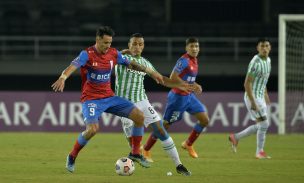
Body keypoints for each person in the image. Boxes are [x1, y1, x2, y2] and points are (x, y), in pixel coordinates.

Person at [51, 26, 164, 173]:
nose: (108, 46)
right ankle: (72, 156)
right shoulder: (87, 54)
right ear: (97, 40)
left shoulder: (113, 53)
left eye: (110, 43)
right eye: (105, 43)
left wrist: (151, 72)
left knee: (139, 116)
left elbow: (131, 63)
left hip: (109, 97)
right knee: (92, 130)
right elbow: (72, 66)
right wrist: (63, 77)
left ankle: (135, 153)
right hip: (91, 99)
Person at [116, 33, 191, 176]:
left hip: (143, 101)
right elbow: (109, 56)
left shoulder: (146, 63)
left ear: (143, 46)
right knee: (133, 143)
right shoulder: (121, 59)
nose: (137, 47)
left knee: (161, 130)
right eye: (134, 44)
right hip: (125, 104)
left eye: (140, 44)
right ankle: (135, 155)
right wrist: (121, 52)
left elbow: (162, 79)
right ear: (129, 45)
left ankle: (179, 164)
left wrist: (181, 85)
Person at [141, 37, 209, 160]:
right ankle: (146, 149)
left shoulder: (194, 60)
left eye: (196, 46)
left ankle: (188, 144)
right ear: (186, 48)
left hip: (189, 96)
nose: (194, 49)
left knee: (204, 120)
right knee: (165, 126)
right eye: (191, 46)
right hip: (178, 98)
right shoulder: (184, 61)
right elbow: (173, 77)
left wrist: (195, 85)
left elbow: (188, 78)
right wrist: (184, 86)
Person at [228, 38, 272, 159]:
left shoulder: (268, 60)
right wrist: (253, 102)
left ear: (270, 47)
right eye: (262, 46)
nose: (264, 48)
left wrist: (266, 94)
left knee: (261, 125)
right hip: (252, 96)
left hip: (260, 96)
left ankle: (235, 137)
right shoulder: (255, 62)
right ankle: (259, 152)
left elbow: (263, 80)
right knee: (264, 124)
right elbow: (247, 83)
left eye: (267, 46)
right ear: (258, 48)